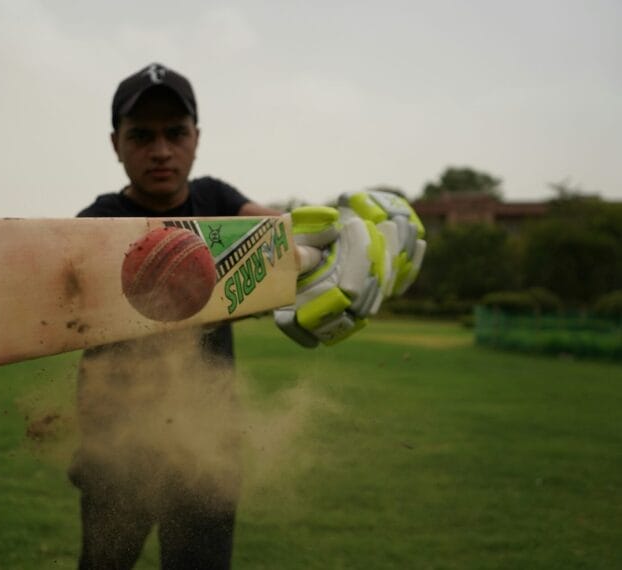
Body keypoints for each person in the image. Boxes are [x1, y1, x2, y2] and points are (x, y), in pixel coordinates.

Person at [69, 63, 426, 569]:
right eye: (141, 135)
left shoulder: (215, 198)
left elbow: (281, 236)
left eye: (176, 132)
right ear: (115, 143)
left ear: (197, 137)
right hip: (118, 449)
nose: (161, 150)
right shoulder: (98, 222)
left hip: (207, 445)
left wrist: (353, 246)